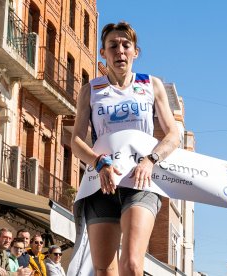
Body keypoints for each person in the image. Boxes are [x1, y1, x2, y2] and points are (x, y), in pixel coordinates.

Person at [70, 21, 180, 276]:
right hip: (101, 183)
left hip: (140, 181)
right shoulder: (91, 91)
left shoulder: (151, 85)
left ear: (135, 52)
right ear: (103, 53)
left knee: (131, 264)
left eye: (125, 45)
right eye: (113, 45)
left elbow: (174, 135)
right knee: (104, 270)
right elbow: (76, 141)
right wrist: (98, 162)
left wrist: (151, 159)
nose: (120, 50)